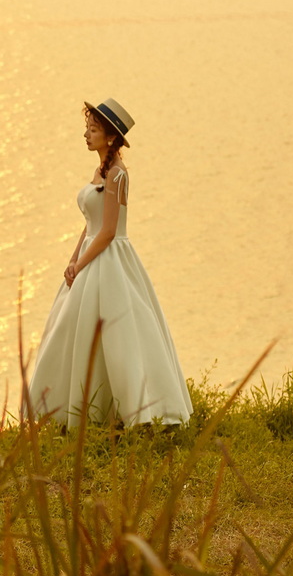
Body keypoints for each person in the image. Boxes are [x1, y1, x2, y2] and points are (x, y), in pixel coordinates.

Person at [25, 99, 192, 428]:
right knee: (71, 328)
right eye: (87, 129)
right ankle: (65, 411)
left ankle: (127, 411)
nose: (86, 135)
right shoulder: (100, 170)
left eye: (93, 130)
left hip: (109, 257)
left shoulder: (117, 174)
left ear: (111, 136)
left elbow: (109, 231)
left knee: (116, 336)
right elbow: (91, 223)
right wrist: (73, 259)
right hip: (91, 253)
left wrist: (81, 264)